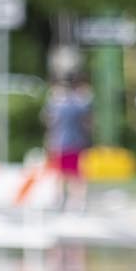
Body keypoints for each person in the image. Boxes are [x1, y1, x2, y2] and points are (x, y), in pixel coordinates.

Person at [44, 77, 94, 211]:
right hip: (76, 142)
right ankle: (77, 202)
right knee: (76, 175)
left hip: (60, 142)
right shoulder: (80, 105)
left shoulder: (56, 105)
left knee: (60, 174)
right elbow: (88, 124)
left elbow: (49, 122)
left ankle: (59, 199)